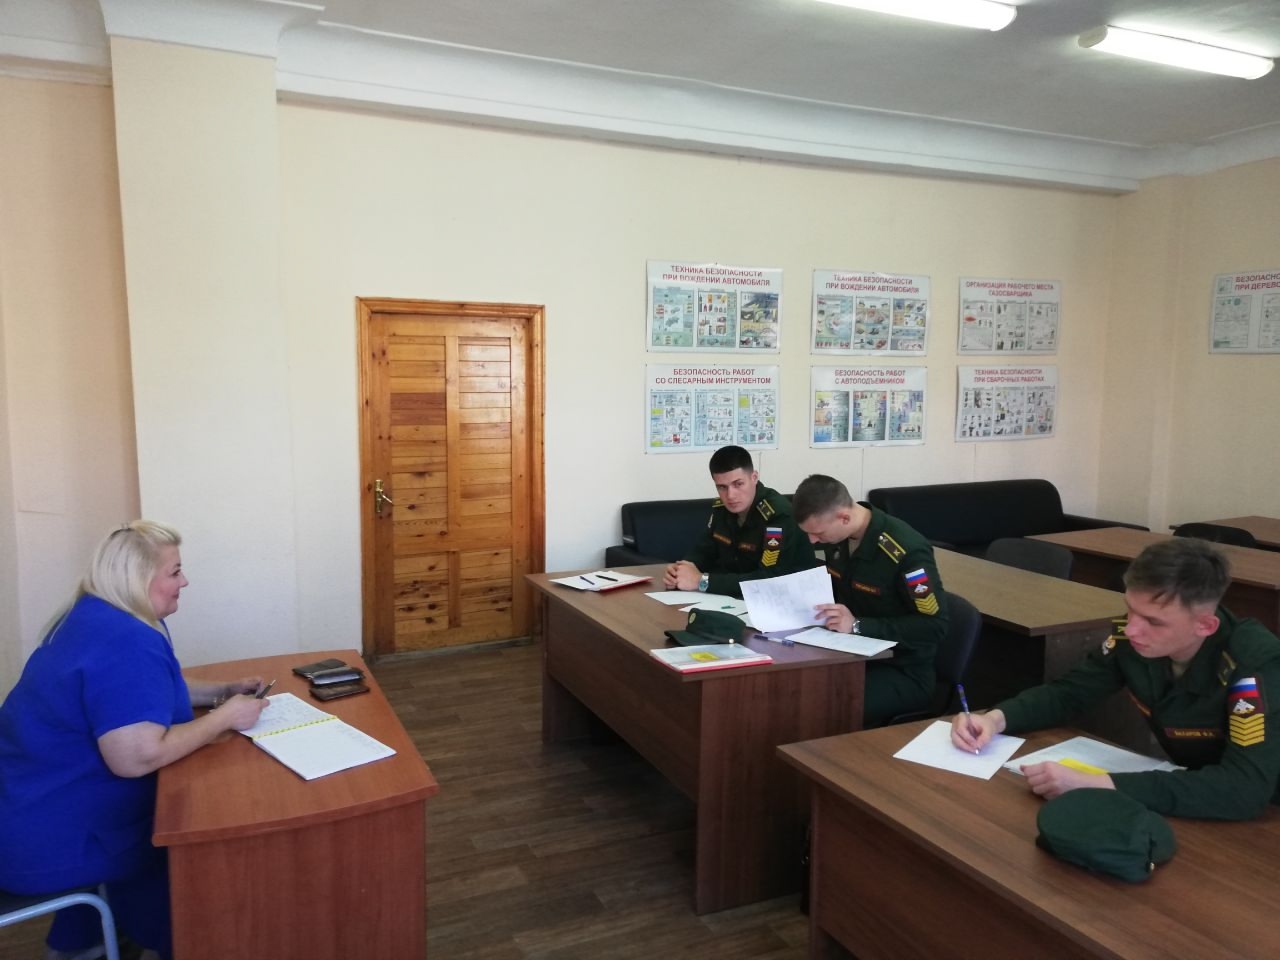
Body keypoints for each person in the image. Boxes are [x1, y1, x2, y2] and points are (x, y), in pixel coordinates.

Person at [0, 521, 270, 960]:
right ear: (138, 578)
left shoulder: (94, 615)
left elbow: (147, 690)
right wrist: (226, 718)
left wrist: (222, 691)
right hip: (48, 841)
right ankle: (174, 944)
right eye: (175, 571)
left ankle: (84, 943)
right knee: (188, 845)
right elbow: (135, 756)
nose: (185, 581)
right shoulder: (125, 640)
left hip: (25, 810)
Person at [951, 538, 1280, 820]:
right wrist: (995, 719)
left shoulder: (1255, 664)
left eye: (1153, 621)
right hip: (1190, 792)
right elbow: (1070, 693)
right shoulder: (1132, 637)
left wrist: (1097, 784)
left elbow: (1244, 789)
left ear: (1205, 626)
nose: (1132, 628)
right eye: (1130, 609)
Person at [791, 474, 949, 727]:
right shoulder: (838, 537)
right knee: (789, 689)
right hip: (851, 655)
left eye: (818, 533)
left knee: (818, 707)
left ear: (844, 517)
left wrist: (857, 625)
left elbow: (934, 626)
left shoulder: (905, 551)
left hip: (901, 669)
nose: (812, 541)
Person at [663, 445, 816, 598]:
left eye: (738, 484)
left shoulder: (778, 516)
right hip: (737, 599)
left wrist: (701, 581)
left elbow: (768, 579)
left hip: (786, 600)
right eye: (722, 487)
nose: (730, 495)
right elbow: (704, 551)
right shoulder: (722, 509)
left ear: (754, 477)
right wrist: (680, 571)